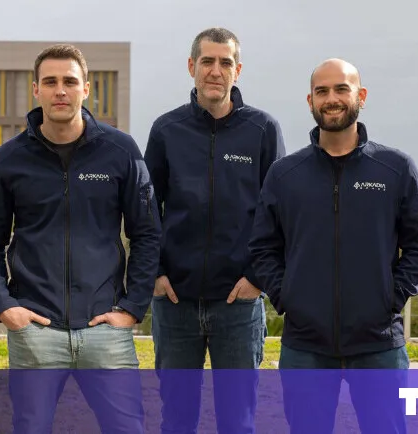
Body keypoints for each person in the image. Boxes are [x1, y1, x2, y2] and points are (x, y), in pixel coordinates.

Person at [0, 43, 161, 434]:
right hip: (35, 330)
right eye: (51, 81)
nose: (61, 90)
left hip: (105, 329)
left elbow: (146, 234)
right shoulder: (9, 158)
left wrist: (131, 308)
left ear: (86, 89)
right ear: (36, 89)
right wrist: (5, 306)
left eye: (70, 81)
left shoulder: (120, 150)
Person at [249, 58, 418, 433]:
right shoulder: (285, 174)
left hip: (378, 342)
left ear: (361, 96)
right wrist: (288, 296)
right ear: (310, 101)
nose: (331, 99)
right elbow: (262, 247)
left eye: (341, 89)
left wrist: (392, 296)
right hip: (306, 342)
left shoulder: (395, 168)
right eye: (322, 91)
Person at [143, 27, 286, 433]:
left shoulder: (263, 130)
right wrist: (154, 274)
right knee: (177, 418)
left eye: (225, 62)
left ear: (237, 71)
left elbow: (280, 213)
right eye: (207, 61)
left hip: (238, 302)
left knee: (237, 420)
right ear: (192, 67)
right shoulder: (166, 131)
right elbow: (145, 210)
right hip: (175, 303)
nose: (215, 71)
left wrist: (258, 279)